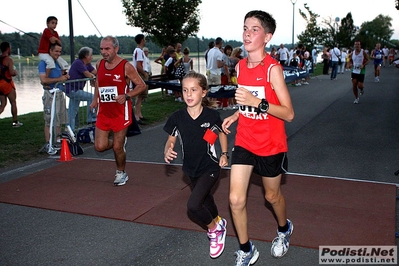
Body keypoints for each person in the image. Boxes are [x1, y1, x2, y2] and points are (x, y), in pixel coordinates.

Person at [221, 10, 295, 265]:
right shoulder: (240, 66)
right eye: (245, 28)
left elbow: (288, 113)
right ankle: (246, 249)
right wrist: (236, 114)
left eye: (254, 29)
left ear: (267, 36)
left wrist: (257, 102)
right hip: (245, 140)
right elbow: (246, 103)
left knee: (271, 197)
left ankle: (284, 229)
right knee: (235, 198)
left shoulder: (273, 69)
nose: (247, 33)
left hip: (271, 145)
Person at [163, 72, 228, 259]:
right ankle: (218, 221)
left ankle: (215, 230)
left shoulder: (212, 116)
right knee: (206, 199)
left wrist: (224, 154)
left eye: (193, 90)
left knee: (193, 205)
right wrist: (167, 150)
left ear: (204, 92)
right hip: (190, 169)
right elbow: (170, 140)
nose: (188, 94)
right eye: (185, 90)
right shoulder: (177, 117)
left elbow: (221, 133)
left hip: (210, 167)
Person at [90, 36, 146, 186]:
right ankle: (118, 144)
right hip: (104, 112)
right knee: (99, 147)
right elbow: (98, 82)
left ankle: (121, 173)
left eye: (107, 49)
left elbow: (141, 86)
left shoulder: (125, 66)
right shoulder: (99, 63)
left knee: (117, 147)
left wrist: (127, 96)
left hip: (121, 113)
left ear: (116, 49)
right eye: (101, 49)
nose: (103, 52)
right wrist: (95, 99)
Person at [38, 43, 70, 155]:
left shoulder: (57, 63)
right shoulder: (44, 63)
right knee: (49, 119)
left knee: (60, 119)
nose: (58, 53)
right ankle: (48, 143)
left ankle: (57, 142)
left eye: (59, 51)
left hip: (60, 93)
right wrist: (59, 79)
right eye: (56, 51)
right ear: (50, 51)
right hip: (50, 94)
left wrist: (65, 77)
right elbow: (44, 80)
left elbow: (61, 76)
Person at [65, 46, 97, 131]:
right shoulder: (78, 63)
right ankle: (91, 118)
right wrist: (92, 78)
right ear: (86, 56)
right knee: (92, 97)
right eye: (91, 55)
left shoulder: (87, 64)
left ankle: (70, 130)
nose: (92, 57)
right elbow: (88, 74)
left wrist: (96, 77)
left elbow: (95, 72)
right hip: (72, 90)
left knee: (72, 112)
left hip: (76, 90)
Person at [0, 41, 23, 127]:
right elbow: (11, 72)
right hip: (7, 83)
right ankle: (15, 122)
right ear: (8, 48)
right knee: (13, 102)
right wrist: (15, 72)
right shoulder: (9, 59)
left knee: (2, 104)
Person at [132, 34, 149, 125]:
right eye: (144, 39)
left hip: (140, 74)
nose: (145, 41)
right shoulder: (139, 51)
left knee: (141, 96)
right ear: (142, 40)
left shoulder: (139, 51)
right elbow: (139, 65)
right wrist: (144, 73)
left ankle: (140, 114)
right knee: (139, 96)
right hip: (140, 75)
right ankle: (137, 116)